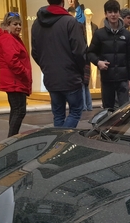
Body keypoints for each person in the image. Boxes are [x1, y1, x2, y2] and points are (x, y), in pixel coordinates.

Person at [32, 0, 87, 128]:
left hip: (51, 77)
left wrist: (46, 67)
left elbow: (35, 52)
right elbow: (79, 51)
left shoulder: (37, 24)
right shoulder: (69, 22)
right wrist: (80, 71)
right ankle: (61, 142)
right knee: (75, 111)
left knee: (58, 115)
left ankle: (57, 142)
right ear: (63, 2)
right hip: (70, 76)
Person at [87, 0, 130, 110]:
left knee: (124, 110)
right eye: (110, 12)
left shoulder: (126, 34)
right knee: (108, 110)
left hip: (123, 79)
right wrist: (98, 62)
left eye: (115, 11)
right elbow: (90, 53)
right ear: (106, 14)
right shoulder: (99, 34)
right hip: (107, 78)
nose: (113, 14)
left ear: (119, 13)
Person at [0, 12, 32, 137]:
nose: (18, 27)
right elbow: (13, 61)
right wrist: (24, 72)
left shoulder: (9, 38)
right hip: (15, 80)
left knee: (17, 110)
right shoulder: (7, 39)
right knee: (19, 111)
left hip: (15, 80)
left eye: (20, 24)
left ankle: (11, 139)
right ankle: (11, 139)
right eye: (15, 24)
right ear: (7, 25)